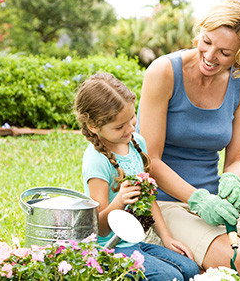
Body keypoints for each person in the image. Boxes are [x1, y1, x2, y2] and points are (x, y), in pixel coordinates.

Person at [136, 0, 240, 277]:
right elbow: (149, 160)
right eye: (206, 41)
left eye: (225, 53)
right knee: (238, 262)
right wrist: (198, 200)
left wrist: (233, 180)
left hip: (215, 200)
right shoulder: (164, 72)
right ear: (200, 31)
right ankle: (157, 241)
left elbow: (237, 158)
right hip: (165, 201)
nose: (210, 55)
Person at [75, 72, 200, 281]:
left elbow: (148, 198)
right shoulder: (97, 160)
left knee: (190, 270)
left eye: (132, 119)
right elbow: (98, 228)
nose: (131, 128)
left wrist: (167, 238)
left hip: (136, 243)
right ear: (94, 126)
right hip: (109, 250)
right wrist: (120, 201)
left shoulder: (136, 143)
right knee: (168, 277)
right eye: (120, 126)